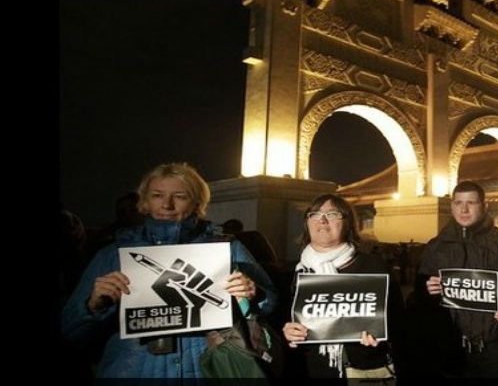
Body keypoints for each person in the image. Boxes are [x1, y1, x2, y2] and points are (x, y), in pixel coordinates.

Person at [61, 162, 276, 378]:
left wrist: (252, 293)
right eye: (157, 195)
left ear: (197, 203)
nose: (167, 205)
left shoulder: (226, 247)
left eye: (180, 196)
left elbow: (270, 303)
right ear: (144, 200)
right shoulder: (114, 253)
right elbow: (70, 332)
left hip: (206, 370)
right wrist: (92, 306)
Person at [281, 193, 403, 379]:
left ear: (348, 223)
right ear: (307, 223)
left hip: (365, 369)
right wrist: (288, 332)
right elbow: (281, 320)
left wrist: (381, 334)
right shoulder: (294, 271)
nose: (322, 220)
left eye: (332, 214)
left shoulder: (374, 267)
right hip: (312, 370)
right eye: (314, 214)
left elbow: (398, 320)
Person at [417, 181, 498, 377]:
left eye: (471, 203)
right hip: (452, 349)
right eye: (458, 203)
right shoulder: (436, 246)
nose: (464, 210)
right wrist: (428, 291)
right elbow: (419, 301)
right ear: (452, 206)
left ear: (484, 206)